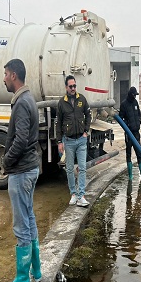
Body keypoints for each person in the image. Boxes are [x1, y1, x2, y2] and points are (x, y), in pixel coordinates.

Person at [2, 58, 41, 282]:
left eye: (6, 74)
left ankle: (22, 278)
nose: (4, 78)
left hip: (21, 171)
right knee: (29, 216)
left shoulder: (21, 103)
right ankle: (36, 270)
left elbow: (22, 138)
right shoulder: (28, 99)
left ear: (14, 75)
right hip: (29, 168)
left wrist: (6, 162)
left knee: (21, 224)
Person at [56, 75, 91, 207]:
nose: (73, 88)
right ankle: (73, 194)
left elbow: (88, 114)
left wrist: (86, 131)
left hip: (81, 140)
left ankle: (81, 195)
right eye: (70, 86)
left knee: (82, 168)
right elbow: (58, 123)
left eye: (74, 86)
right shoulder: (62, 103)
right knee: (70, 169)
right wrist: (60, 141)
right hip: (68, 141)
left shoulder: (81, 99)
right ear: (66, 87)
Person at [119, 86, 141, 180]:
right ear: (131, 94)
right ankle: (130, 176)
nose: (135, 96)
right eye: (134, 95)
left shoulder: (135, 103)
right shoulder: (124, 104)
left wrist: (139, 122)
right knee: (129, 154)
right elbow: (120, 118)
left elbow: (138, 114)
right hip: (129, 134)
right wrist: (127, 125)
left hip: (136, 133)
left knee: (139, 153)